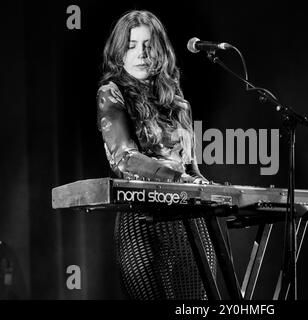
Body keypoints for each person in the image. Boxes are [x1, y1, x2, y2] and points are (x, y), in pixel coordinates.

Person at [96, 10, 216, 300]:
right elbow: (124, 158)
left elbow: (191, 167)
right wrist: (181, 179)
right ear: (119, 53)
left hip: (188, 220)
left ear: (160, 50)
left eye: (148, 45)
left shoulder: (179, 104)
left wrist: (207, 186)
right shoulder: (111, 93)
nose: (141, 53)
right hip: (140, 218)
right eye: (132, 45)